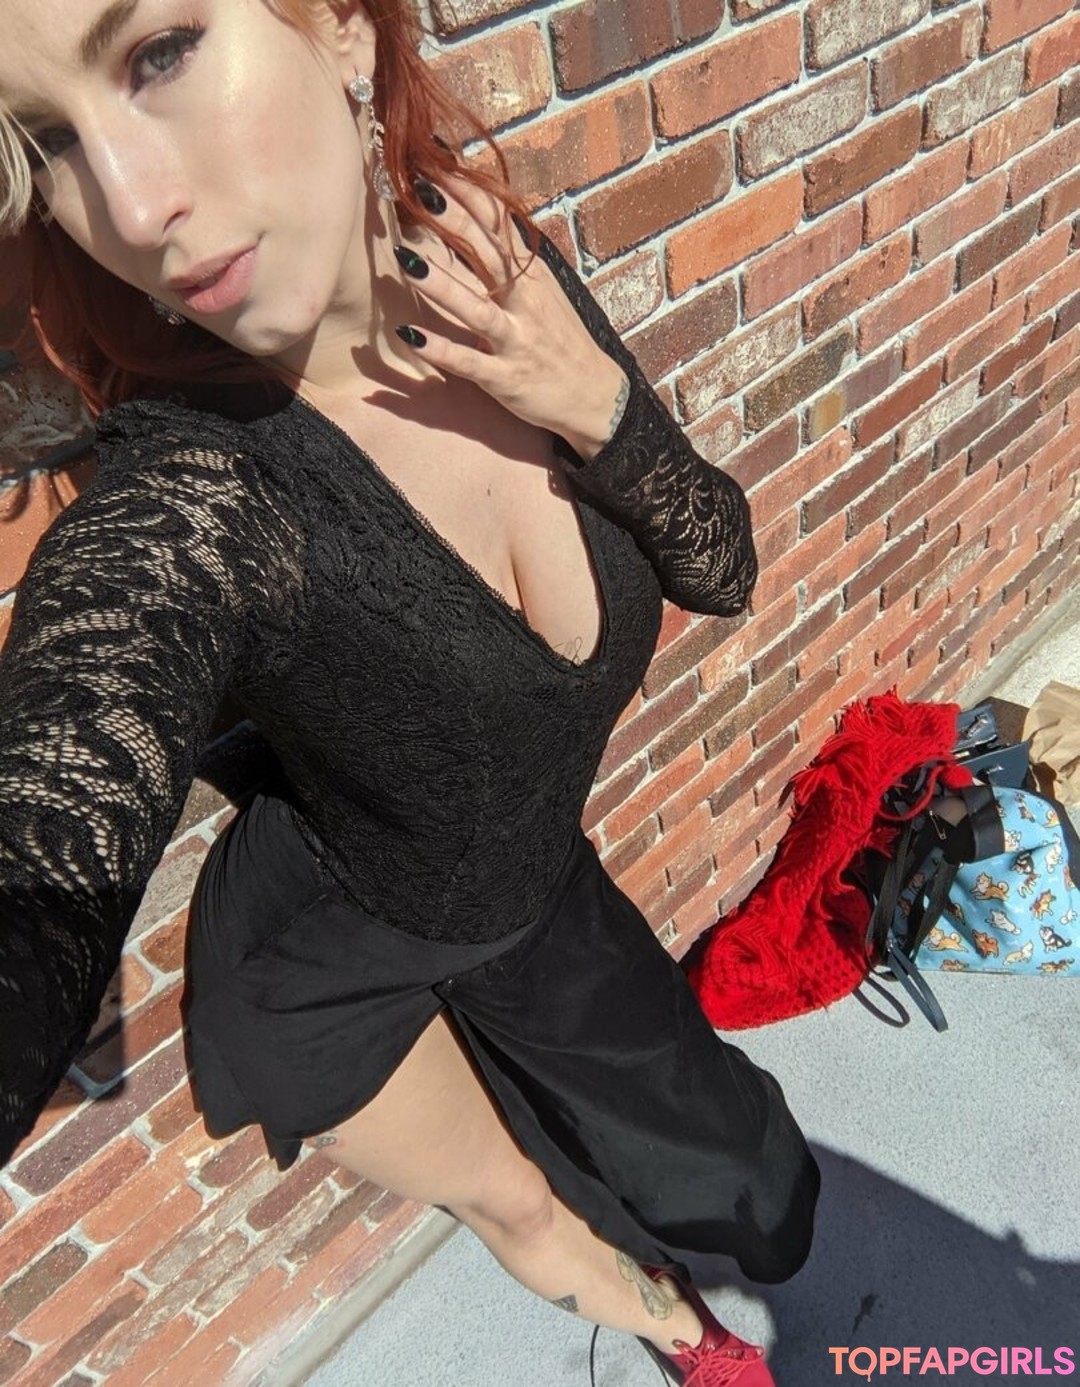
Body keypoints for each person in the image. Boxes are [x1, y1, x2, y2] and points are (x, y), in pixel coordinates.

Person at [0, 3, 820, 1382]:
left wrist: (595, 403)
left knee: (745, 1177)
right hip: (325, 971)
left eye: (159, 53)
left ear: (336, 28)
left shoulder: (496, 287)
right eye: (47, 142)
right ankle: (685, 1338)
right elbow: (52, 818)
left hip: (528, 892)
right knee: (529, 1208)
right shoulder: (194, 498)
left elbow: (722, 565)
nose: (133, 209)